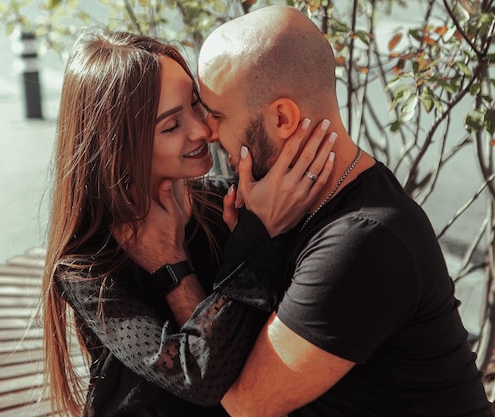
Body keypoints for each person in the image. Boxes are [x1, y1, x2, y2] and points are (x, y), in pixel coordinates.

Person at [125, 5, 495, 417]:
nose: (207, 132)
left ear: (282, 118)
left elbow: (245, 401)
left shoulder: (363, 239)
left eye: (216, 114)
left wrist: (175, 265)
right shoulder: (298, 205)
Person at [40, 29, 336, 417]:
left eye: (196, 105)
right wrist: (174, 264)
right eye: (170, 126)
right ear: (117, 146)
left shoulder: (227, 203)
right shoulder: (89, 265)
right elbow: (200, 375)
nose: (202, 130)